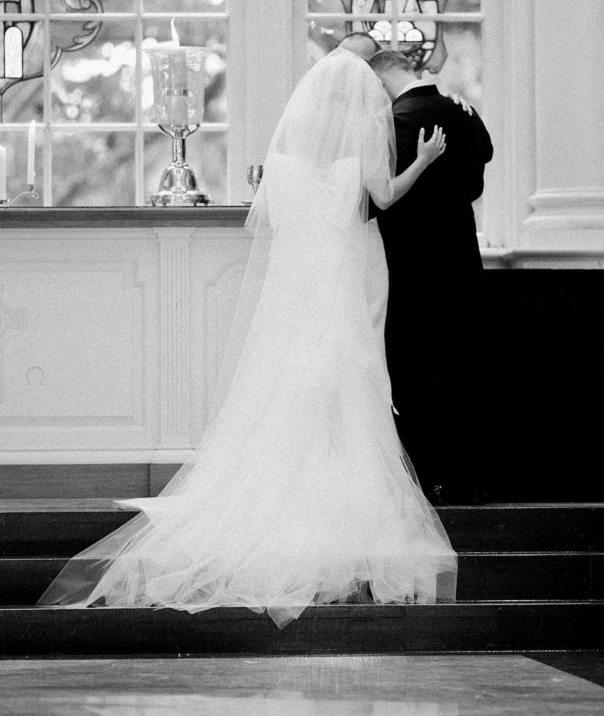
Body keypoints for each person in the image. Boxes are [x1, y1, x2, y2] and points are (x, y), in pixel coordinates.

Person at [37, 49, 458, 628]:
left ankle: (279, 504)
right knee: (350, 388)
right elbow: (383, 197)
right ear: (358, 99)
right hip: (348, 282)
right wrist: (426, 160)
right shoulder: (361, 137)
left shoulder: (284, 160)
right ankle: (343, 512)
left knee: (290, 390)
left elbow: (269, 223)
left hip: (302, 294)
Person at [367, 50, 494, 503]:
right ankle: (463, 477)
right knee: (462, 365)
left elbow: (378, 199)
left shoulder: (394, 122)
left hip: (411, 266)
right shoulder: (460, 109)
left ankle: (425, 478)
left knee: (416, 371)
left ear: (381, 82)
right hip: (461, 259)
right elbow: (485, 158)